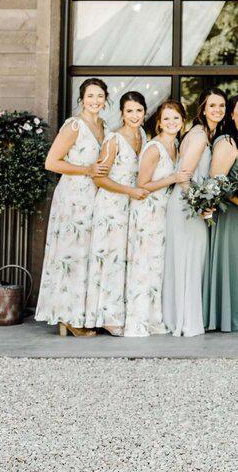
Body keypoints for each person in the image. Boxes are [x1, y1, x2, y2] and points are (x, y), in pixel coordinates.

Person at [37, 78, 111, 337]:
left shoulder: (104, 126)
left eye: (99, 96)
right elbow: (51, 162)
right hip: (73, 197)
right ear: (81, 99)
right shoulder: (73, 126)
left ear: (106, 99)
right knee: (71, 255)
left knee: (87, 255)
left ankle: (82, 314)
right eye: (90, 96)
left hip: (95, 197)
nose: (95, 101)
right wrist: (86, 169)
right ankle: (66, 317)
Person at [83, 91, 149, 335]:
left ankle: (122, 312)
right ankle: (106, 317)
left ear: (145, 112)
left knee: (124, 260)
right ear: (122, 113)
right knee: (110, 259)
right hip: (111, 205)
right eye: (129, 111)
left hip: (132, 206)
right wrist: (129, 191)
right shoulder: (114, 139)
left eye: (139, 110)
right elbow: (99, 178)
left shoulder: (143, 135)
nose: (134, 115)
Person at [163, 87, 224, 338]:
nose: (218, 110)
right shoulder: (199, 136)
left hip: (189, 204)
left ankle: (183, 315)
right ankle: (185, 320)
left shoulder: (206, 134)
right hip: (185, 205)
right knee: (189, 259)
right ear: (203, 109)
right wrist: (198, 205)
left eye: (221, 105)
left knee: (191, 259)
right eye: (212, 105)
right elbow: (184, 176)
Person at [124, 99, 185, 338]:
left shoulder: (177, 145)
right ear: (159, 123)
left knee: (158, 266)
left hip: (164, 213)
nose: (171, 122)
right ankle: (138, 320)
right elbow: (142, 184)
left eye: (176, 118)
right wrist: (173, 178)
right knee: (145, 265)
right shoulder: (154, 148)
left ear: (182, 121)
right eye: (166, 118)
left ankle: (154, 318)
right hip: (148, 211)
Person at [204, 92, 238, 333]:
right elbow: (216, 180)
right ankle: (230, 317)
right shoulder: (227, 142)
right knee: (235, 263)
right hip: (233, 214)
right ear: (232, 115)